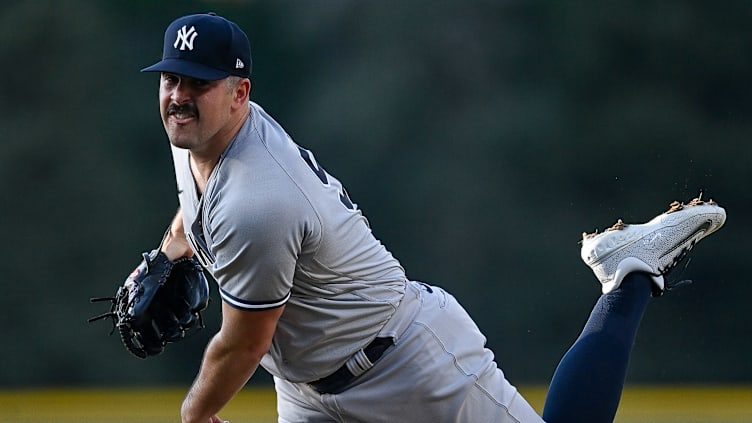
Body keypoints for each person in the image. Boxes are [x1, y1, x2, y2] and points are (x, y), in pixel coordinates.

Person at [140, 12, 727, 423]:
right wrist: (171, 252)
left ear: (240, 93)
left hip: (403, 363)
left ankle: (627, 277)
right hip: (307, 389)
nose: (178, 95)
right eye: (171, 78)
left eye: (199, 83)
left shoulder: (258, 202)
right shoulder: (196, 133)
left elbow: (241, 344)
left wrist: (195, 412)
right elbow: (198, 203)